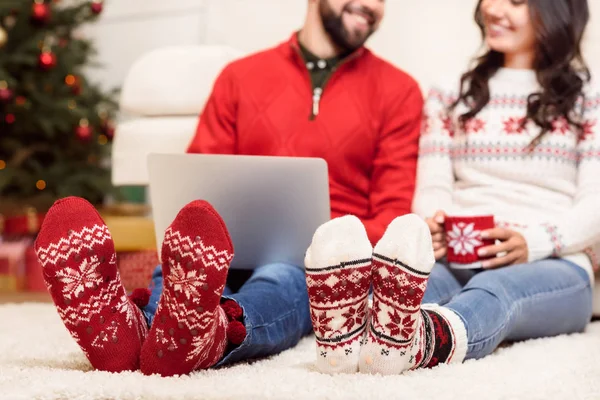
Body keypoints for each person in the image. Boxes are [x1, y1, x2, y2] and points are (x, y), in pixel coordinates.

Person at [34, 0, 423, 376]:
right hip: (219, 247)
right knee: (179, 270)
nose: (373, 5)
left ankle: (212, 335)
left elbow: (393, 218)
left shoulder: (399, 90)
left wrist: (326, 239)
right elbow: (196, 183)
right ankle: (130, 329)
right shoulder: (241, 76)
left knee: (280, 278)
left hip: (314, 265)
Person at [305, 0, 600, 375]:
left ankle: (417, 345)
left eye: (516, 2)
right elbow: (434, 183)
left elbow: (596, 201)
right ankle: (347, 345)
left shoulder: (589, 97)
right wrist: (435, 223)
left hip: (557, 263)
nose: (492, 9)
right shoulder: (451, 92)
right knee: (404, 292)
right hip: (459, 255)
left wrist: (536, 241)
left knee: (495, 291)